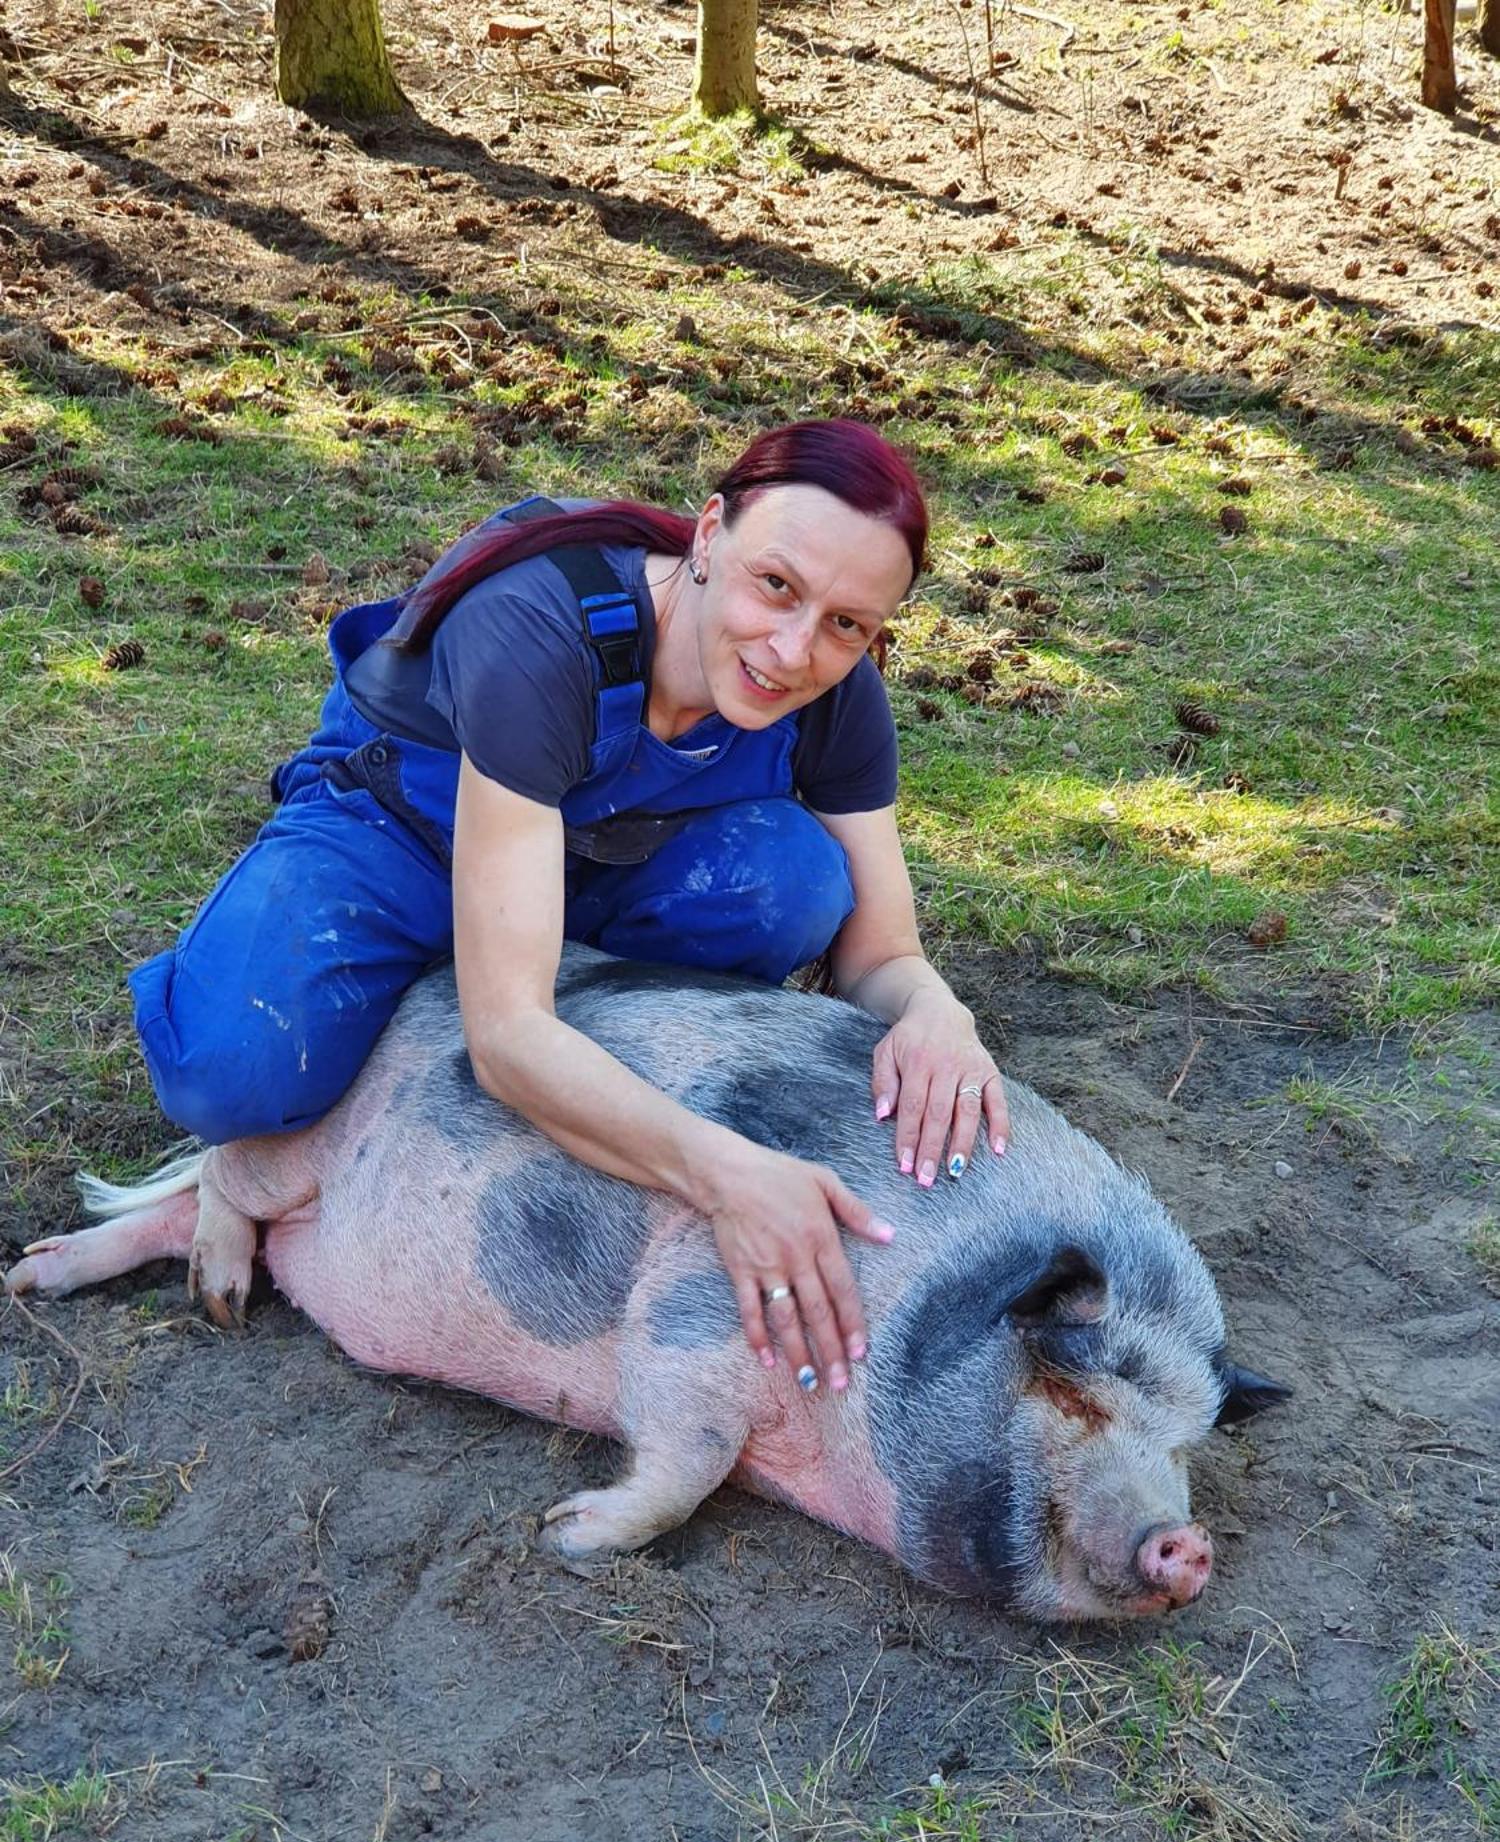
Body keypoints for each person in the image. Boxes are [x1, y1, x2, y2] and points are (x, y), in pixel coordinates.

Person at [128, 420, 1009, 1395]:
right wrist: (730, 1176)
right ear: (709, 535)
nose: (795, 650)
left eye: (848, 624)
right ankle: (347, 1051)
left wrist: (937, 1012)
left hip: (595, 858)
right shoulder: (541, 626)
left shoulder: (838, 701)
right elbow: (505, 1036)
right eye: (777, 586)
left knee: (792, 878)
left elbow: (880, 949)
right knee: (231, 1068)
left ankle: (568, 1058)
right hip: (403, 829)